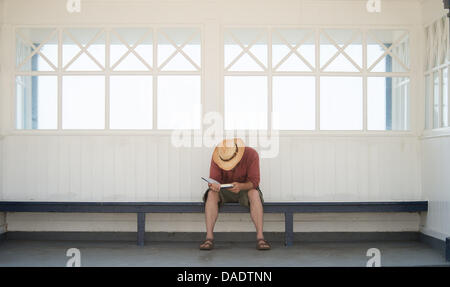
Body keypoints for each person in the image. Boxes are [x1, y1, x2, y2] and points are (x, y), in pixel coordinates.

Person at [199, 138, 271, 251]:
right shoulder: (218, 156)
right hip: (224, 190)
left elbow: (254, 182)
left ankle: (260, 238)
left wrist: (241, 186)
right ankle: (209, 238)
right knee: (212, 194)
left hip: (245, 188)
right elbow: (213, 180)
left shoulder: (251, 154)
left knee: (254, 194)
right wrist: (213, 185)